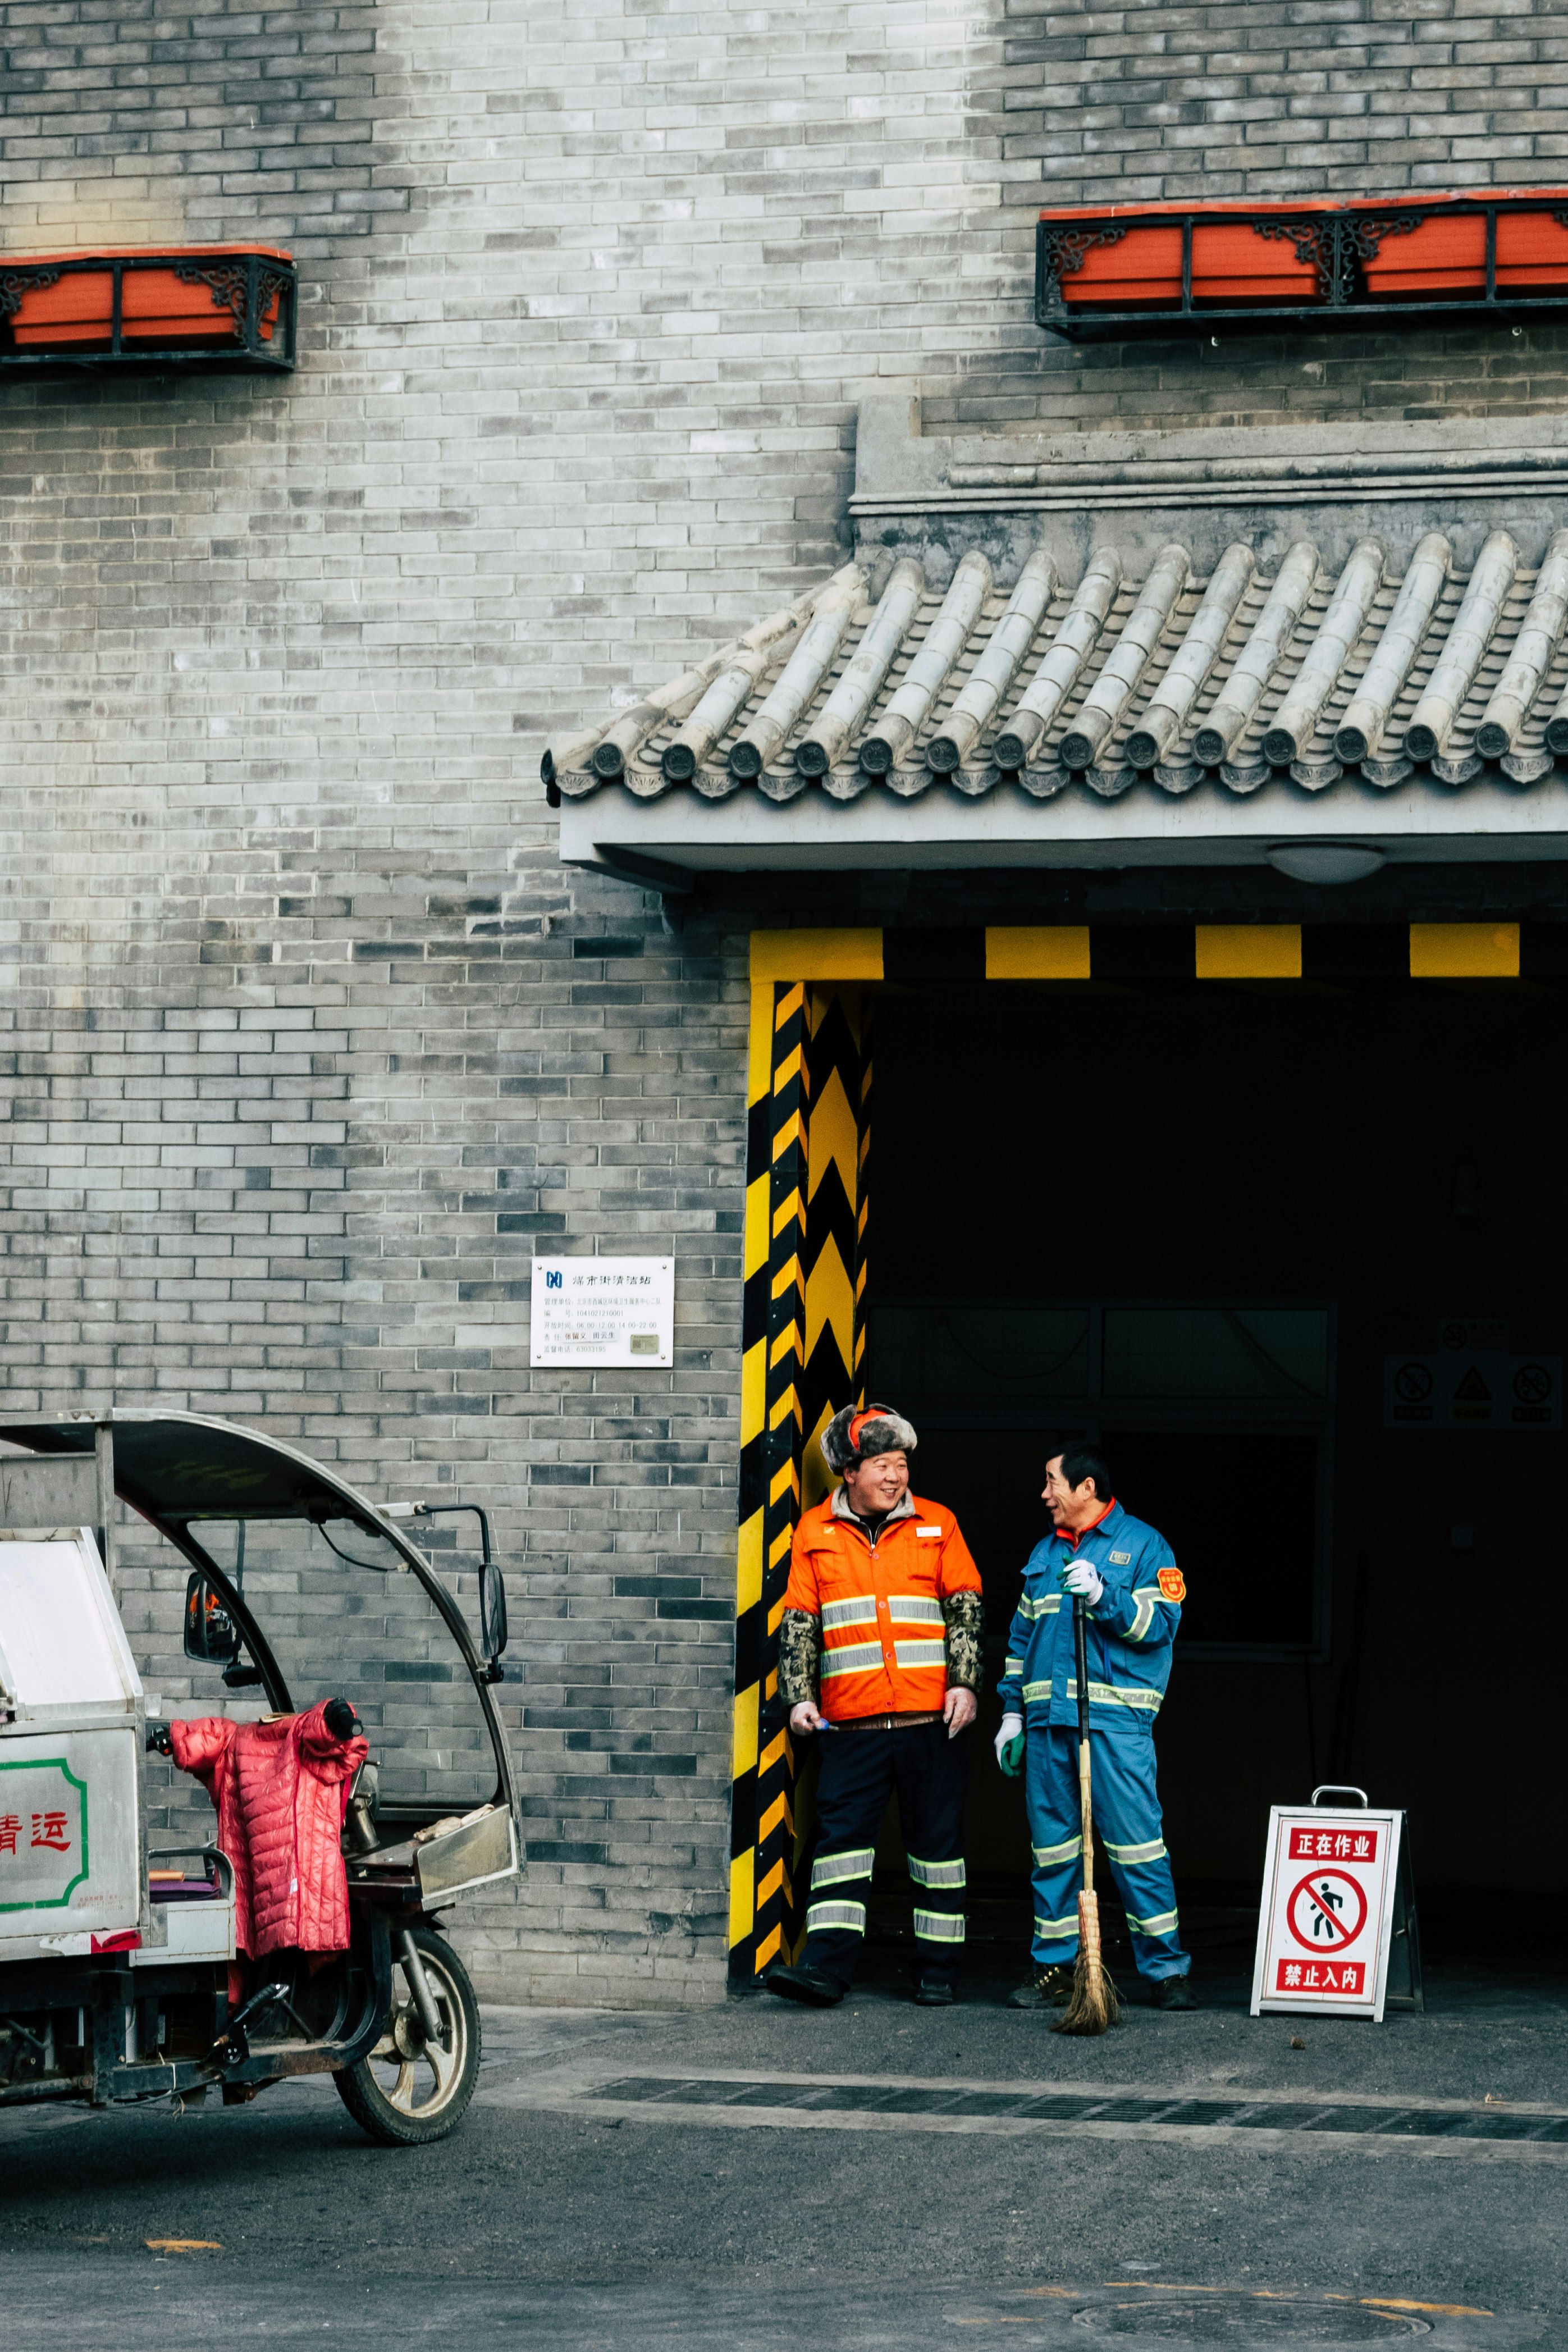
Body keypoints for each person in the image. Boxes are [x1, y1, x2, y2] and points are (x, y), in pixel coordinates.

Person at [766, 1403, 984, 2009]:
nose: (895, 1476)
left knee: (937, 1852)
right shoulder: (815, 1531)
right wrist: (798, 1696)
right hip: (851, 1725)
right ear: (848, 1472)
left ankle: (938, 1971)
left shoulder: (938, 1523)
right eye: (882, 1464)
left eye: (902, 1463)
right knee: (841, 1851)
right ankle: (825, 1970)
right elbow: (800, 1623)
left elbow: (966, 1605)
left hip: (929, 1723)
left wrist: (964, 1683)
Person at [995, 1443, 1195, 2012]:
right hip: (1046, 1725)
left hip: (1114, 1724)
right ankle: (1056, 1967)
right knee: (1053, 1852)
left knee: (1137, 1849)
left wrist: (1106, 1596)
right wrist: (1012, 1713)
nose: (1044, 1494)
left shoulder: (1145, 1545)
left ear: (1087, 1488)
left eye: (1051, 1481)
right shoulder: (1043, 1554)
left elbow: (1161, 1625)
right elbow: (1020, 1640)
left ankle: (1167, 1969)